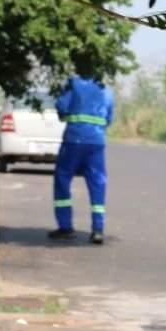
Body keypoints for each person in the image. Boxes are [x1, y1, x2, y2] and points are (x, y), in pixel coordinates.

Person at [49, 73, 114, 245]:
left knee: (62, 179)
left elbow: (62, 108)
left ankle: (65, 227)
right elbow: (108, 118)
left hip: (74, 140)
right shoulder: (106, 89)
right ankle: (98, 229)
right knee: (98, 183)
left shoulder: (73, 84)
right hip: (96, 142)